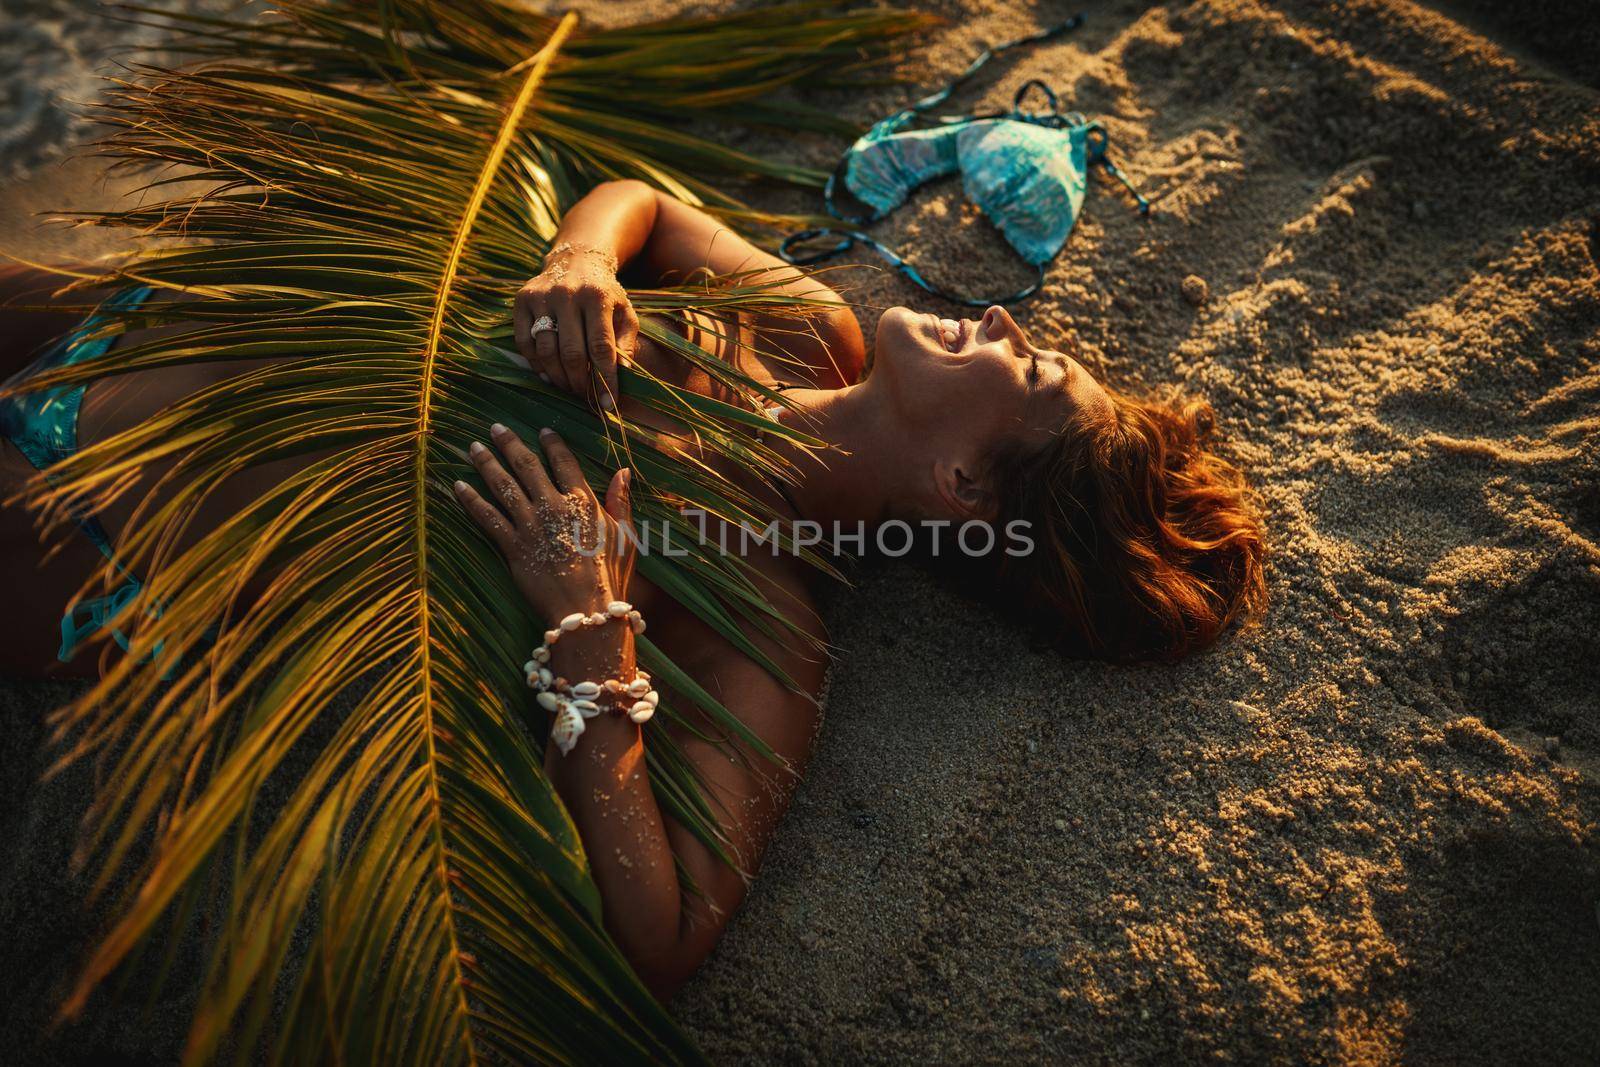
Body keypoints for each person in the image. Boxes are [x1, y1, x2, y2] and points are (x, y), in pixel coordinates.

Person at [0, 179, 1265, 997]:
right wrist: (579, 258)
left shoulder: (761, 621)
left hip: (112, 537)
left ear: (965, 489)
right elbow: (646, 209)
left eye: (1025, 364)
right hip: (166, 328)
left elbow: (661, 933)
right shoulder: (801, 325)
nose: (996, 314)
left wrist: (588, 629)